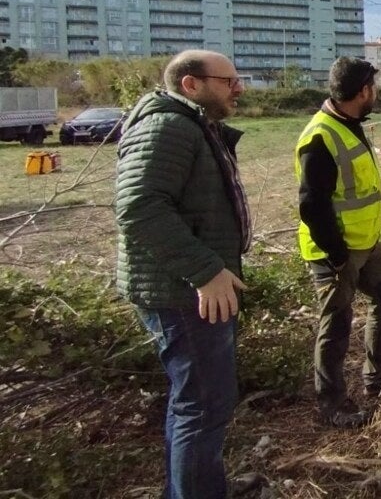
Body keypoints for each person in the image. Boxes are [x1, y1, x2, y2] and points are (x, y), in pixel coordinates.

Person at [115, 49, 252, 499]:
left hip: (189, 288)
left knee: (196, 402)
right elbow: (139, 207)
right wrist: (206, 270)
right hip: (183, 293)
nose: (239, 88)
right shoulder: (168, 126)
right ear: (191, 84)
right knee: (204, 405)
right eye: (228, 80)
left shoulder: (190, 125)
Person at [295, 56, 381, 429]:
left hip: (365, 243)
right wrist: (335, 254)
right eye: (374, 88)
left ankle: (378, 374)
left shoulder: (348, 124)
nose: (376, 94)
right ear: (364, 90)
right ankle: (332, 403)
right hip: (337, 251)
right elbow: (312, 205)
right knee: (335, 324)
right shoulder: (320, 137)